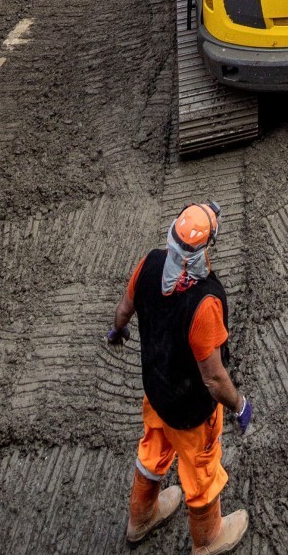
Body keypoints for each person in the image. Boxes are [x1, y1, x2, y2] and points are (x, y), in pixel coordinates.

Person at [107, 203, 252, 551]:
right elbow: (213, 379)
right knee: (201, 472)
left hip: (156, 391)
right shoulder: (204, 304)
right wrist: (239, 405)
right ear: (205, 250)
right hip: (190, 411)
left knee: (154, 447)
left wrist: (117, 330)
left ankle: (140, 519)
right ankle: (209, 538)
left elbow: (124, 310)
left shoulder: (150, 264)